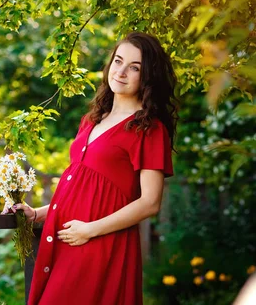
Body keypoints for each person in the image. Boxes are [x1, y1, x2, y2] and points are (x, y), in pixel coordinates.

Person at [12, 32, 178, 305]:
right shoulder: (91, 120)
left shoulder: (148, 129)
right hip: (68, 238)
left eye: (134, 67)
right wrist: (36, 214)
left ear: (147, 76)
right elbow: (81, 188)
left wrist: (90, 230)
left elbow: (150, 202)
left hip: (101, 243)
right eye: (118, 61)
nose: (121, 72)